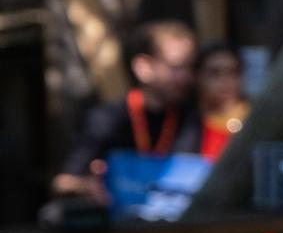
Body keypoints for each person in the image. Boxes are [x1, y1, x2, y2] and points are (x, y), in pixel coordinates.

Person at [52, 19, 204, 203]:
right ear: (143, 67)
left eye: (190, 67)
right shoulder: (108, 119)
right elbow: (63, 182)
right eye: (175, 67)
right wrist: (89, 187)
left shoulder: (191, 119)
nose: (186, 77)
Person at [193, 43, 249, 161]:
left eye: (233, 72)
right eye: (214, 73)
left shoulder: (253, 119)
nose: (225, 80)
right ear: (197, 76)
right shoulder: (184, 123)